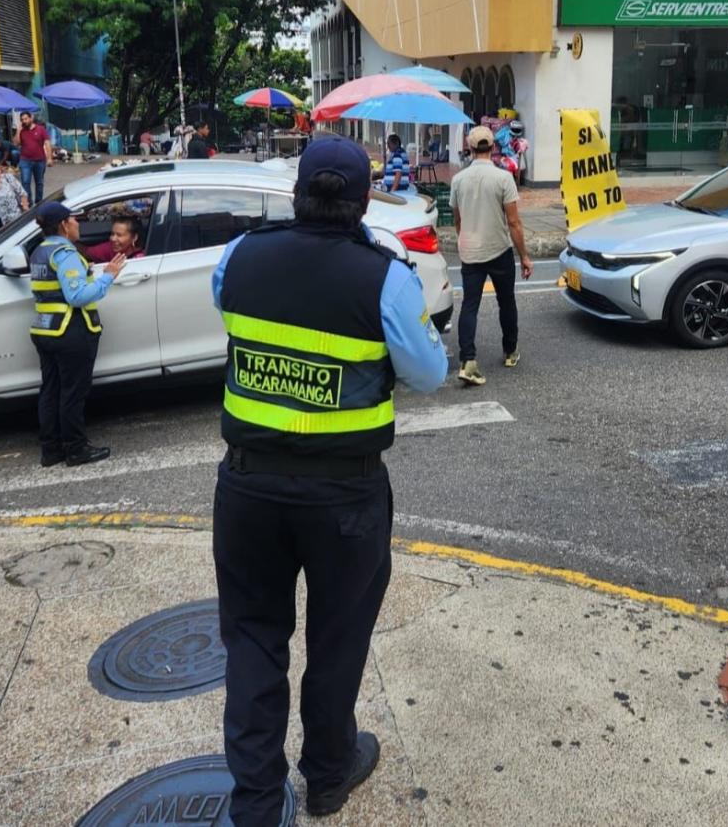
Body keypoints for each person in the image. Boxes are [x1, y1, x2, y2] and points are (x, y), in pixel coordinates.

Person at [209, 135, 447, 826]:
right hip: (346, 495)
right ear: (365, 199)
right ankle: (327, 779)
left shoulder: (240, 256)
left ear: (296, 191)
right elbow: (429, 374)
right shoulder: (385, 275)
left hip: (248, 488)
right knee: (338, 641)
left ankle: (255, 803)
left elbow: (230, 317)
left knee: (253, 641)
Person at [29, 202, 126, 467]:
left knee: (51, 390)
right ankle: (75, 449)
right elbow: (78, 296)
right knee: (72, 393)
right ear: (63, 225)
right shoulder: (64, 252)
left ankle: (51, 450)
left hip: (45, 329)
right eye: (74, 219)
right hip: (70, 331)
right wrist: (108, 276)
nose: (78, 223)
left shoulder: (39, 251)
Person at [449, 125, 533, 386]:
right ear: (493, 147)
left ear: (470, 148)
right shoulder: (503, 178)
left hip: (471, 251)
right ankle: (510, 352)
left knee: (470, 305)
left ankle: (468, 360)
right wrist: (525, 257)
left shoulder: (458, 180)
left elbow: (457, 219)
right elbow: (514, 222)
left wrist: (465, 239)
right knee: (506, 301)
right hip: (499, 249)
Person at [15, 111, 53, 205]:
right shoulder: (22, 131)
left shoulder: (40, 129)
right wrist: (18, 130)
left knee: (39, 182)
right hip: (25, 160)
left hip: (40, 160)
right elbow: (16, 143)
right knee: (25, 182)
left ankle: (39, 202)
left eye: (26, 119)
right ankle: (28, 203)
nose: (24, 121)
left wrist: (49, 158)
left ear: (31, 118)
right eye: (22, 120)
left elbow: (47, 143)